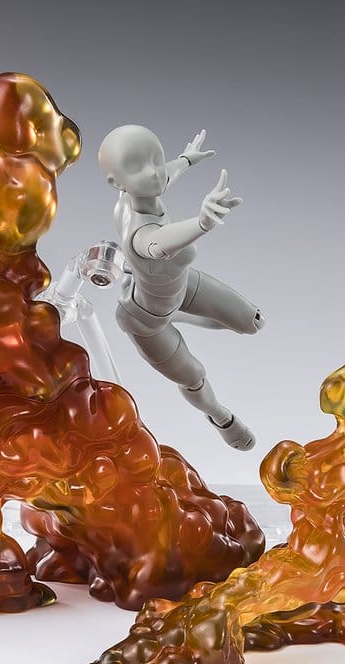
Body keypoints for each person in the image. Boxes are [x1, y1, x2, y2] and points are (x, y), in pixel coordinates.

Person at [98, 125, 264, 450]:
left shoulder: (135, 194)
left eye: (156, 159)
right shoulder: (141, 235)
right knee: (194, 376)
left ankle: (180, 315)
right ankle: (219, 416)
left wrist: (186, 160)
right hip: (146, 321)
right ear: (117, 183)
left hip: (181, 287)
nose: (153, 172)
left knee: (254, 321)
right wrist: (201, 223)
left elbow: (162, 177)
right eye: (137, 167)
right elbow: (159, 241)